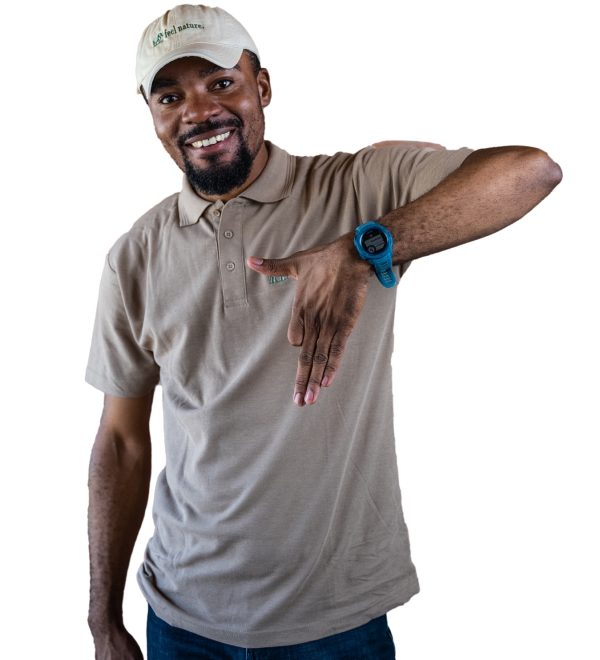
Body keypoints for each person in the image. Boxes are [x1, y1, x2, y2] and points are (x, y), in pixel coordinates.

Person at [86, 4, 562, 659]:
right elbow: (120, 441)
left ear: (262, 87)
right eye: (170, 96)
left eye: (221, 82)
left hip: (334, 621)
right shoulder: (135, 255)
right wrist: (103, 620)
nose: (198, 111)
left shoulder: (358, 187)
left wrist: (364, 247)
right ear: (151, 113)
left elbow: (530, 171)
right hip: (181, 617)